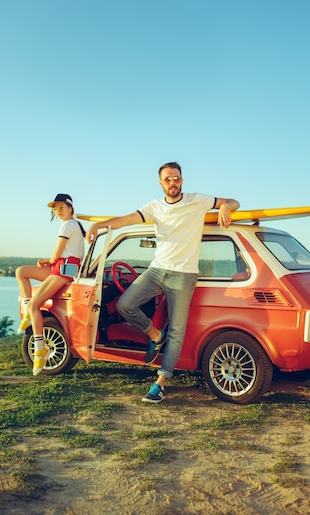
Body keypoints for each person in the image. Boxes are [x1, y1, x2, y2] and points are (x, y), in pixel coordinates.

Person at [86, 162, 240, 404]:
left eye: (176, 178)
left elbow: (233, 201)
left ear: (182, 180)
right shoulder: (154, 207)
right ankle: (157, 336)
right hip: (157, 270)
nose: (173, 183)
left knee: (178, 331)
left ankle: (160, 384)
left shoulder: (196, 200)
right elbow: (126, 220)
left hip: (184, 274)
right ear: (160, 183)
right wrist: (98, 225)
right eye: (167, 179)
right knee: (126, 305)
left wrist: (226, 208)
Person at [16, 194, 85, 376]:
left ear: (70, 208)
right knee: (21, 271)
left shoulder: (69, 224)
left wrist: (49, 260)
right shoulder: (76, 225)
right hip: (60, 267)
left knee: (34, 304)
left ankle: (39, 350)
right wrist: (51, 262)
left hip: (64, 269)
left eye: (61, 207)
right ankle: (28, 317)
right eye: (55, 209)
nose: (58, 212)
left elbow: (58, 252)